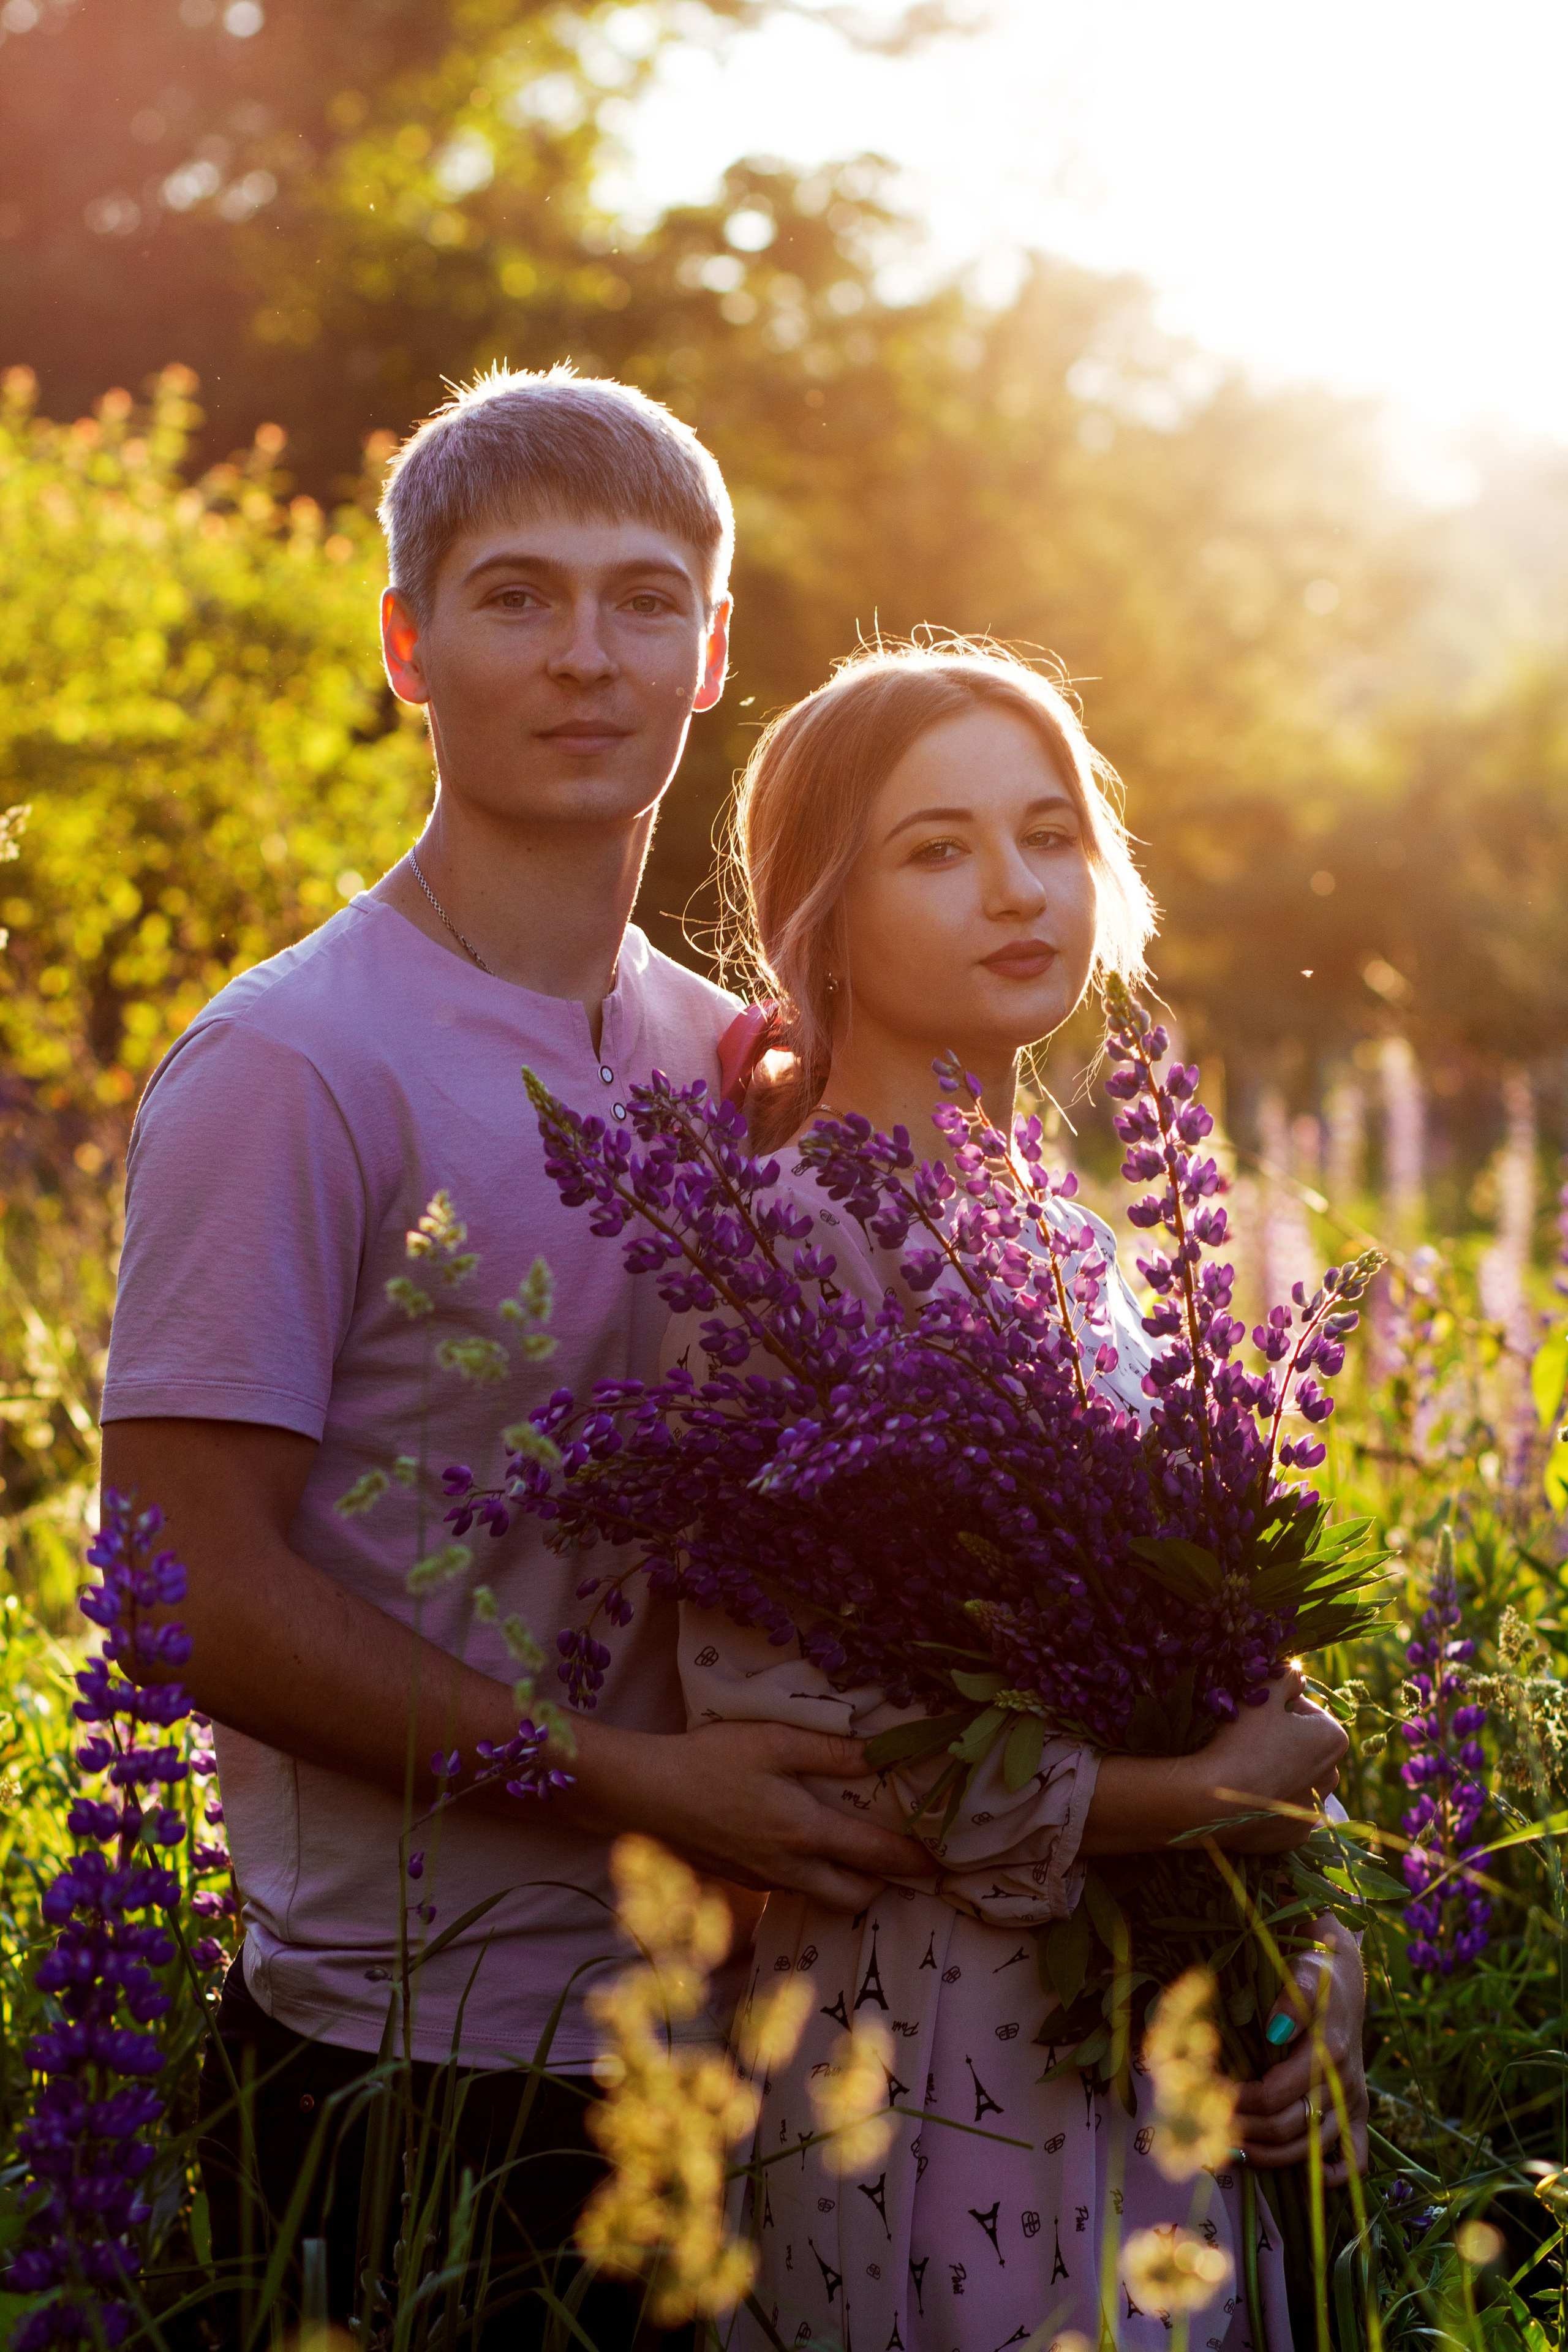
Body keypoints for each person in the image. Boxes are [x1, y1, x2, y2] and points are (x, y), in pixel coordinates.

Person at [98, 366, 929, 2334]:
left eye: (645, 600)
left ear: (715, 655)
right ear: (407, 646)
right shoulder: (292, 1064)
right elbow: (186, 1593)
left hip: (751, 2030)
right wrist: (645, 1784)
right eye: (515, 597)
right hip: (408, 2065)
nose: (587, 656)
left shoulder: (752, 1066)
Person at [667, 641, 1369, 2351]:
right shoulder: (774, 1259)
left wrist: (1316, 1959)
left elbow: (1213, 1657)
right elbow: (805, 1744)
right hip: (926, 2063)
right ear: (817, 909)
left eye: (1049, 835)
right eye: (937, 848)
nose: (1016, 890)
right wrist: (1199, 1794)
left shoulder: (1082, 1248)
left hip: (1148, 2041)